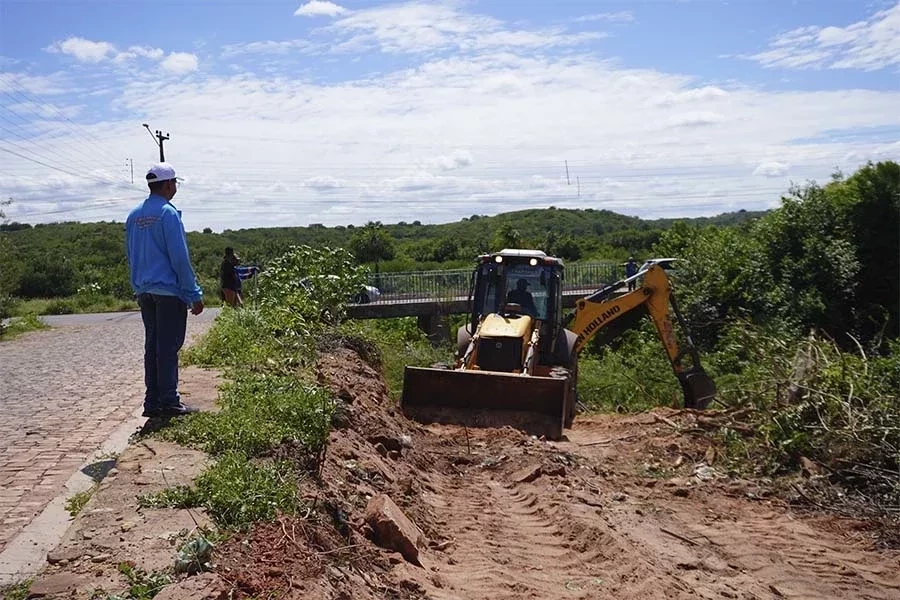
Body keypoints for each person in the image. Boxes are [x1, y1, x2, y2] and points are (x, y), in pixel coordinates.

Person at [125, 162, 204, 419]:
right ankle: (169, 401)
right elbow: (179, 258)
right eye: (175, 183)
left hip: (145, 291)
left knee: (152, 347)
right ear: (169, 184)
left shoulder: (134, 215)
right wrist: (193, 293)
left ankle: (153, 401)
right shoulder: (168, 214)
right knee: (168, 347)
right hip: (168, 292)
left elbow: (131, 255)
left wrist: (138, 286)